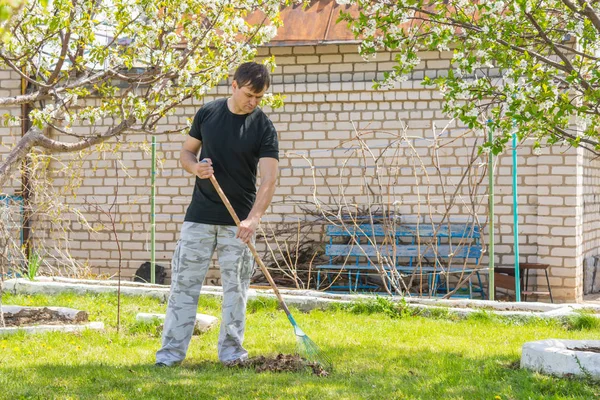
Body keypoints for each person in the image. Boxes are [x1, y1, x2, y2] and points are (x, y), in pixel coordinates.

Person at [155, 62, 279, 367]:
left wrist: (253, 219)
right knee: (183, 287)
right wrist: (195, 168)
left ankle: (232, 356)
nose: (253, 102)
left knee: (236, 292)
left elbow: (269, 179)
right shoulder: (207, 114)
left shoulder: (263, 127)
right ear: (233, 85)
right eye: (249, 94)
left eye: (259, 98)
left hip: (238, 225)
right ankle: (169, 357)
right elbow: (186, 152)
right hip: (199, 217)